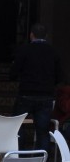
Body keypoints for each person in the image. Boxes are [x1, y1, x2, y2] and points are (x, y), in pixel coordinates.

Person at [13, 23, 63, 154]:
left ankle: (19, 157)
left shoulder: (24, 50)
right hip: (46, 96)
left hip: (26, 94)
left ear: (31, 35)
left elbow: (13, 73)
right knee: (42, 131)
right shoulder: (53, 52)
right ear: (46, 36)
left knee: (17, 126)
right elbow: (60, 77)